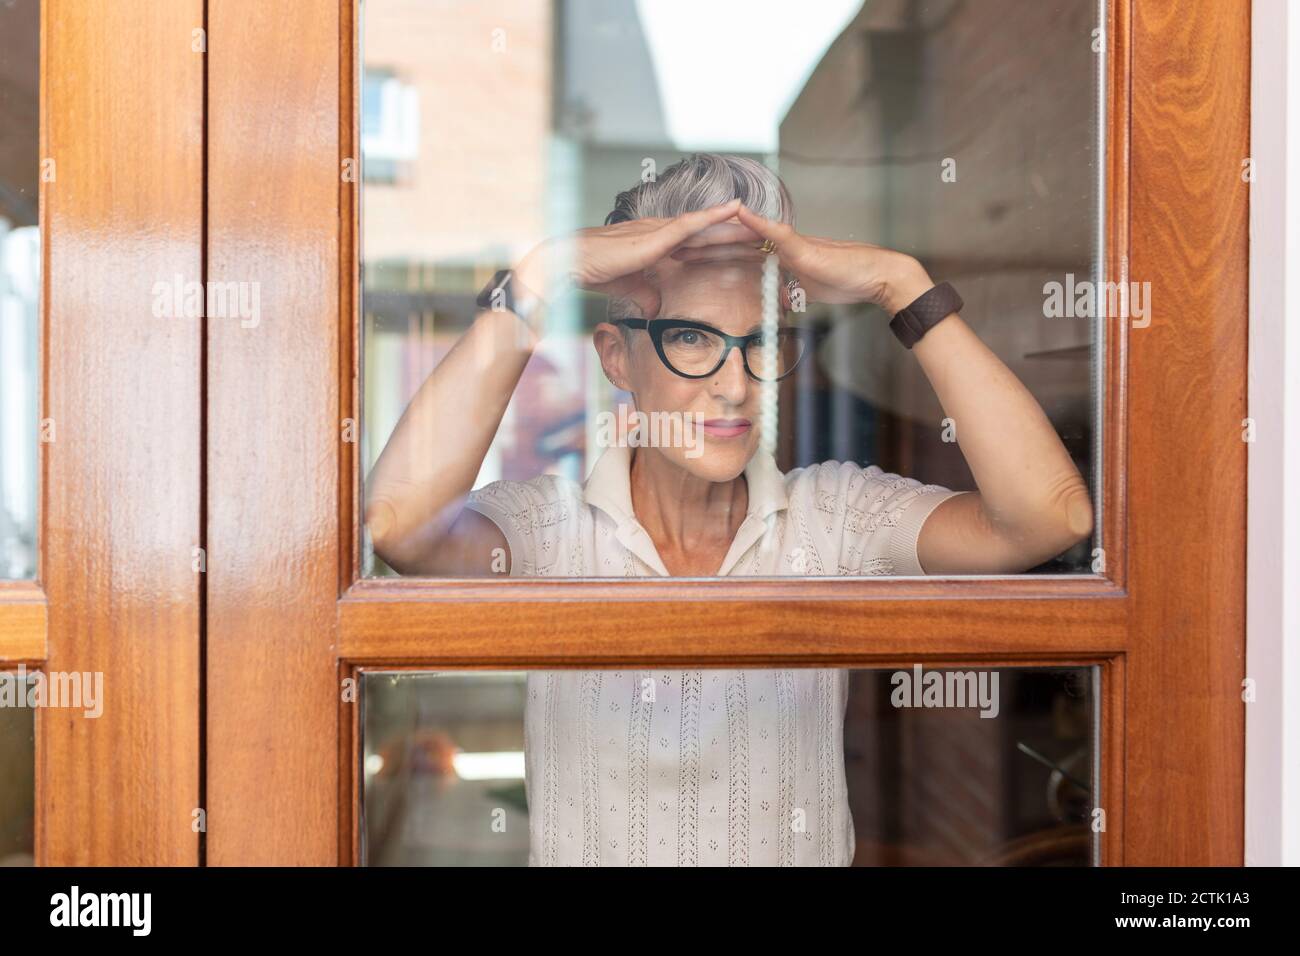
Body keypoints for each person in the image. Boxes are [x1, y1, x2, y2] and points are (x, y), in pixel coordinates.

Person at [365, 153, 1093, 866]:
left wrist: (900, 285)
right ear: (617, 359)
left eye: (759, 344)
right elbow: (398, 522)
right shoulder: (547, 530)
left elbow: (1049, 518)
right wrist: (537, 277)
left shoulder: (836, 517)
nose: (735, 385)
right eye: (691, 338)